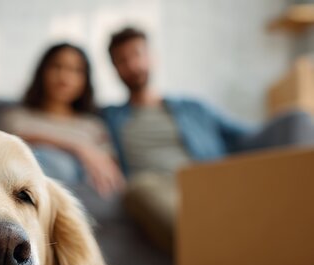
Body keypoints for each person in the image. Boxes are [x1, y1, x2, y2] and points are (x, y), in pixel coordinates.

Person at [101, 27, 314, 253]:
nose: (133, 65)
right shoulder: (109, 117)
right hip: (157, 189)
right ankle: (219, 248)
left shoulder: (192, 108)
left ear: (152, 57)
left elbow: (247, 136)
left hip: (206, 182)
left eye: (137, 54)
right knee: (137, 187)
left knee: (297, 118)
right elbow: (66, 123)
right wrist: (84, 150)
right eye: (122, 60)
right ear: (115, 69)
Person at [0, 43, 123, 197]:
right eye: (57, 67)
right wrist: (78, 147)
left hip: (83, 191)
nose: (64, 76)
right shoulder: (17, 115)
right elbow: (9, 144)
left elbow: (109, 169)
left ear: (85, 80)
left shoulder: (93, 126)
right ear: (42, 72)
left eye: (75, 70)